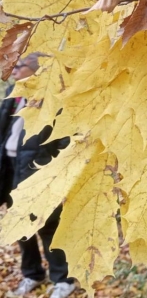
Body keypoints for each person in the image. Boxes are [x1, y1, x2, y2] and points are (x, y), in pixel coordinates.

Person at [0, 54, 76, 298]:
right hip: (8, 168)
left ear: (34, 70)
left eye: (19, 66)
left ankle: (64, 279)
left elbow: (66, 139)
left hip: (37, 170)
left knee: (48, 226)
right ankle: (32, 273)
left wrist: (62, 175)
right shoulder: (14, 93)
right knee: (19, 225)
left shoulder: (53, 97)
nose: (13, 70)